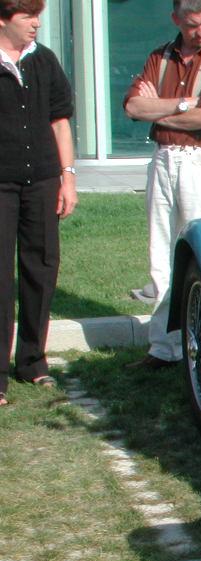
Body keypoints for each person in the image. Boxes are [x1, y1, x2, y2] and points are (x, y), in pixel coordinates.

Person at [123, 0, 201, 370]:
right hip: (164, 158)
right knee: (161, 251)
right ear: (176, 19)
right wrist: (183, 105)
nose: (200, 31)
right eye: (192, 24)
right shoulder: (160, 57)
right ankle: (164, 347)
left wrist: (158, 109)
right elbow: (133, 107)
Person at [0, 0, 76, 407]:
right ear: (3, 19)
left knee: (41, 268)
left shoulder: (44, 60)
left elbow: (60, 121)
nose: (36, 23)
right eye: (27, 16)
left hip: (43, 181)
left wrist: (68, 178)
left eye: (39, 15)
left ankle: (32, 361)